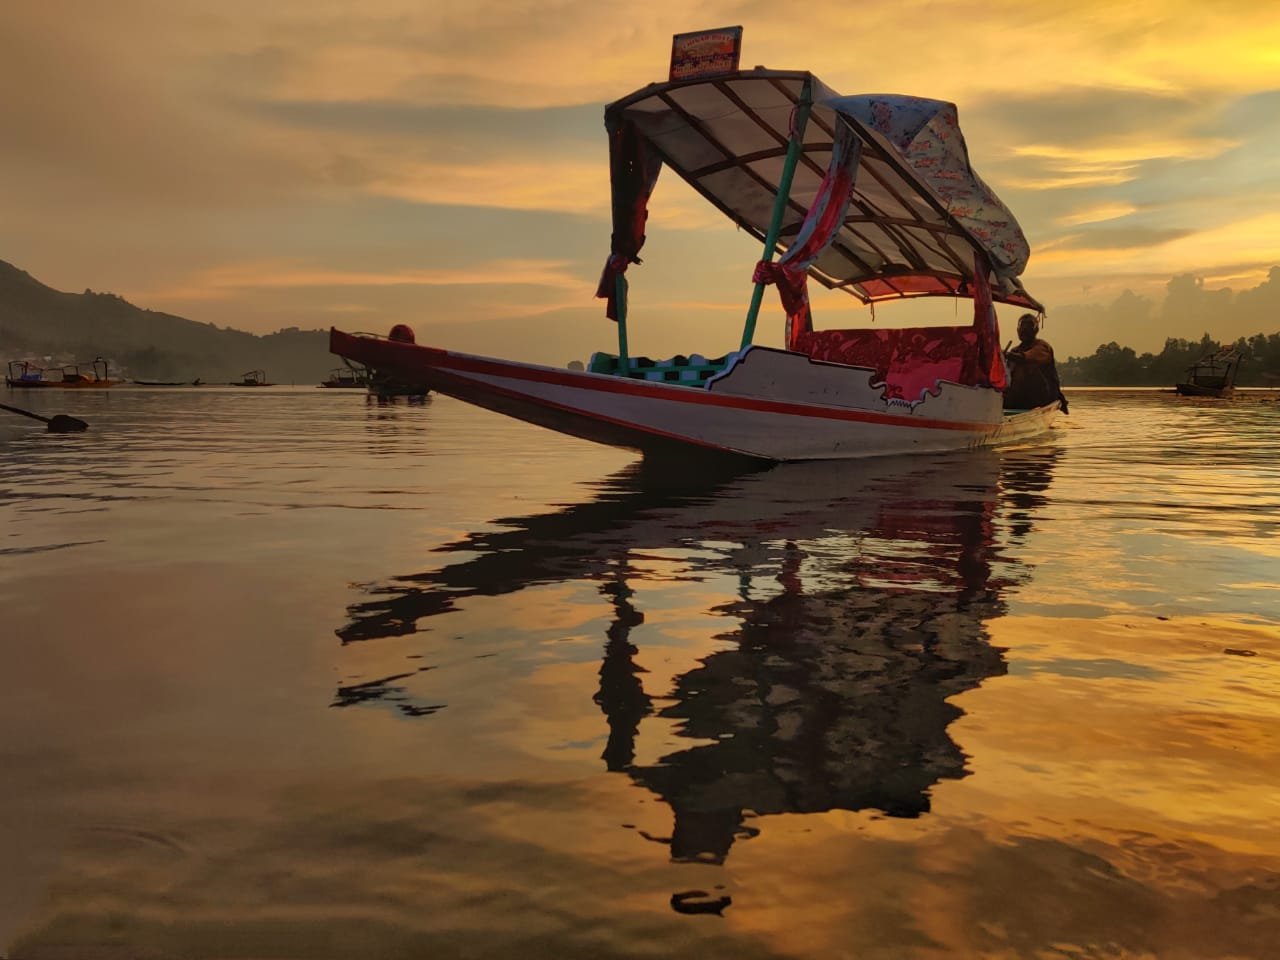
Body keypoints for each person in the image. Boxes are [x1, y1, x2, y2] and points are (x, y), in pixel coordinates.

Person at [1003, 313, 1068, 413]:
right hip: (1017, 398)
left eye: (1028, 329)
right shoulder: (1015, 350)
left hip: (1040, 398)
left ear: (1035, 331)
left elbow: (1024, 358)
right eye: (1022, 328)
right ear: (1017, 330)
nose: (1024, 331)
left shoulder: (1042, 347)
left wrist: (1005, 354)